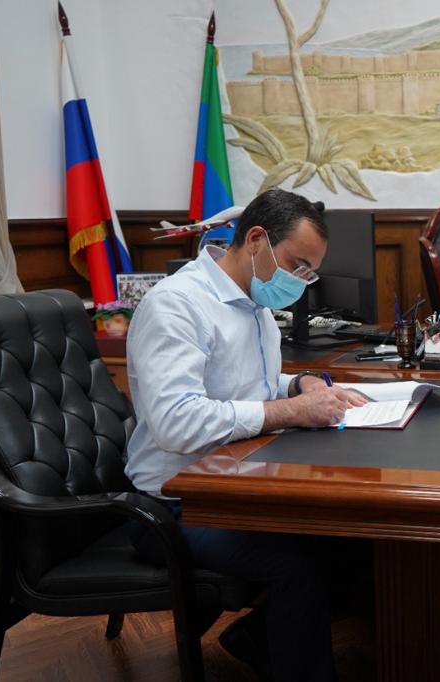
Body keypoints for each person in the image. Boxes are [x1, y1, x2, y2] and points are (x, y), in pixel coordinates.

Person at [125, 188, 367, 681]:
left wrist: (297, 385)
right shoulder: (177, 305)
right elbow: (177, 421)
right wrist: (290, 410)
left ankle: (260, 639)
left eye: (309, 273)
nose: (300, 281)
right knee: (298, 565)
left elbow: (248, 386)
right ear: (256, 239)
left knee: (360, 536)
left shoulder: (253, 304)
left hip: (237, 481)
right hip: (176, 504)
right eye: (297, 265)